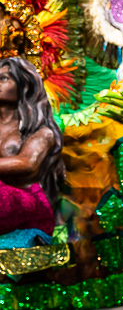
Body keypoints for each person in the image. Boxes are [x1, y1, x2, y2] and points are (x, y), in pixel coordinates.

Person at [0, 57, 64, 237]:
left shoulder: (41, 131)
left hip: (31, 205)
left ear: (24, 85)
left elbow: (27, 163)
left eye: (4, 78)